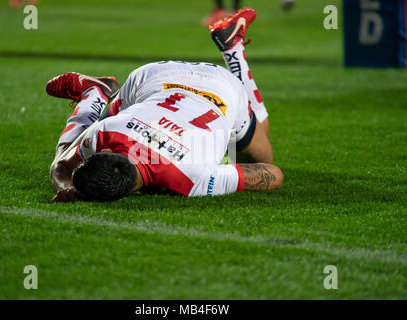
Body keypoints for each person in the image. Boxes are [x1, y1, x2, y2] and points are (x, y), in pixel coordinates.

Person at [47, 8, 283, 202]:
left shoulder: (192, 178)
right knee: (258, 154)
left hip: (210, 86)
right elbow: (272, 174)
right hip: (160, 77)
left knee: (264, 159)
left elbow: (273, 174)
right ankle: (233, 47)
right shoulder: (108, 132)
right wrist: (66, 184)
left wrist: (64, 187)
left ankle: (93, 95)